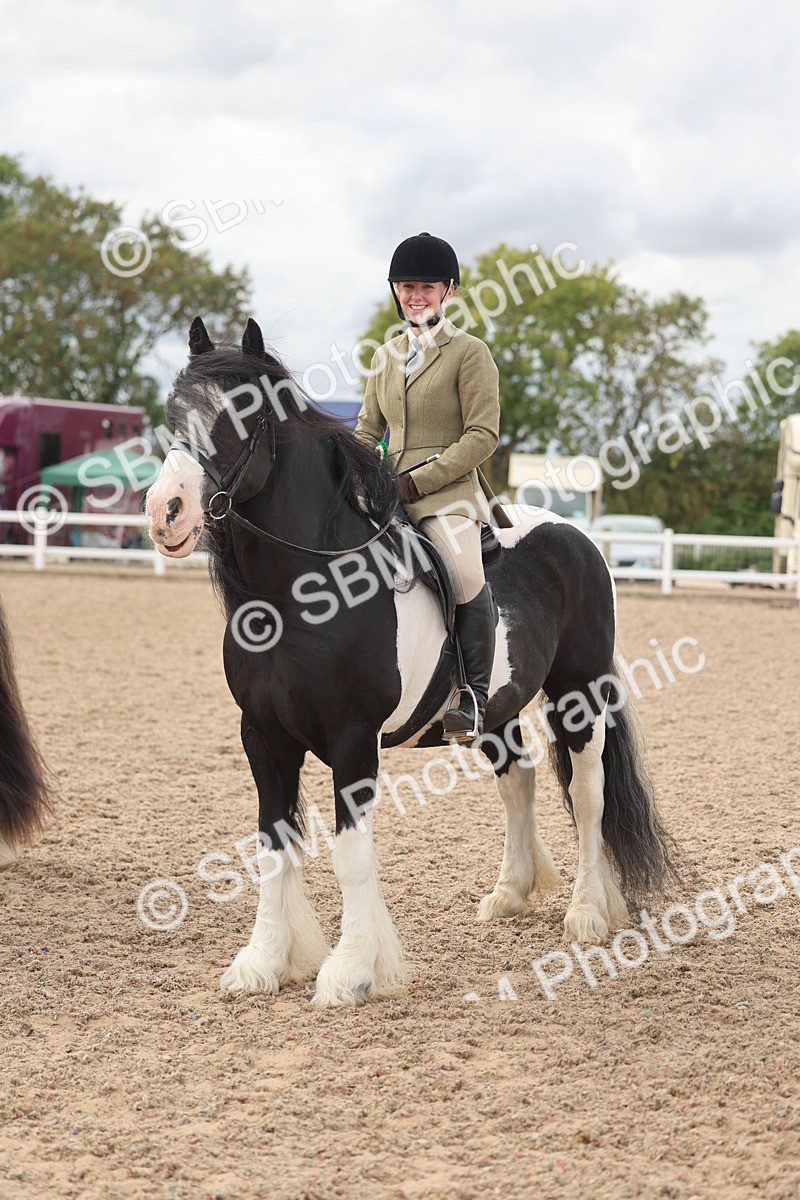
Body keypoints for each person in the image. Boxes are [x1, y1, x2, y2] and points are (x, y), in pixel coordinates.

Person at [355, 232, 508, 740]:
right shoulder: (384, 357)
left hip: (448, 493)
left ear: (449, 291)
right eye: (406, 286)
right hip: (387, 488)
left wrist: (417, 483)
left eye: (425, 286)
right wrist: (352, 471)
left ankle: (472, 697)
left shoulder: (470, 353)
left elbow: (483, 434)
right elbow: (366, 431)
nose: (415, 296)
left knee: (463, 573)